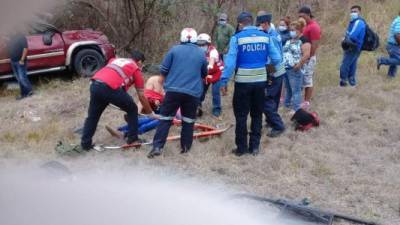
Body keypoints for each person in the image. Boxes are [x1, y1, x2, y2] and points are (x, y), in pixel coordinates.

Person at [220, 12, 281, 156]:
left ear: (240, 24)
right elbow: (277, 59)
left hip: (242, 83)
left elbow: (229, 64)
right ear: (252, 22)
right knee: (257, 115)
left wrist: (224, 81)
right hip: (260, 83)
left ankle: (241, 149)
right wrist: (267, 71)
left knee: (241, 116)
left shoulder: (237, 38)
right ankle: (254, 147)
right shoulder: (266, 37)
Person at [147, 28, 208, 158]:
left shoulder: (174, 50)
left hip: (173, 90)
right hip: (192, 93)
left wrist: (162, 86)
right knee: (188, 121)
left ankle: (157, 147)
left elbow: (163, 70)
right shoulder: (201, 54)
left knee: (165, 119)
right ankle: (185, 148)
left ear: (181, 38)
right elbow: (204, 74)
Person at [80, 51, 153, 150]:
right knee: (132, 109)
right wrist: (150, 113)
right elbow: (141, 96)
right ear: (139, 62)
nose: (141, 66)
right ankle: (133, 139)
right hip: (109, 87)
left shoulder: (115, 60)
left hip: (95, 84)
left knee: (93, 116)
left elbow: (112, 73)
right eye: (142, 64)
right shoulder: (136, 69)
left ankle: (86, 144)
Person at [256, 11, 286, 138]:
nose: (259, 26)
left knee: (266, 100)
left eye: (260, 24)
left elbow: (275, 58)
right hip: (279, 71)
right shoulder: (273, 32)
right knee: (273, 99)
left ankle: (278, 125)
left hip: (274, 71)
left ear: (266, 23)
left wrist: (269, 74)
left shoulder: (271, 37)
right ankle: (270, 121)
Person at [283, 19, 311, 114]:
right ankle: (287, 105)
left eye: (293, 30)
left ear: (299, 30)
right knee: (288, 88)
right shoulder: (289, 40)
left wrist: (299, 65)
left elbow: (306, 54)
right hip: (286, 68)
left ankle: (296, 109)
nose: (291, 32)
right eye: (290, 30)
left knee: (296, 90)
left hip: (295, 69)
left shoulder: (304, 40)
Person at [298, 6, 321, 109]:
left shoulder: (314, 27)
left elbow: (314, 44)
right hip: (303, 56)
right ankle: (301, 99)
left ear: (308, 14)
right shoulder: (304, 26)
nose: (300, 18)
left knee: (308, 79)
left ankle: (306, 101)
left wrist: (308, 58)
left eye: (302, 16)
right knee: (302, 79)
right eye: (299, 16)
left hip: (309, 58)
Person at [197, 33, 223, 118]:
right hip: (205, 73)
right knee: (200, 91)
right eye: (199, 44)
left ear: (208, 44)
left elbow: (212, 59)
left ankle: (217, 109)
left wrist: (210, 65)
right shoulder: (198, 51)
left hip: (216, 73)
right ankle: (198, 106)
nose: (201, 46)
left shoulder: (213, 51)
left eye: (203, 44)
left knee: (215, 92)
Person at [339, 5, 366, 87]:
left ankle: (343, 81)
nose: (353, 13)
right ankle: (352, 81)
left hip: (353, 46)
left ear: (359, 12)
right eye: (351, 12)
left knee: (345, 64)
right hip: (355, 46)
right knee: (353, 63)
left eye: (355, 11)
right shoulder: (353, 21)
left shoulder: (359, 22)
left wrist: (344, 39)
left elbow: (352, 36)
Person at [7, 31, 33, 100]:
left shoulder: (21, 37)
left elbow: (25, 48)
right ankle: (23, 94)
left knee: (22, 78)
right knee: (19, 79)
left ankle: (30, 92)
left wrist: (22, 60)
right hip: (13, 61)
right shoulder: (11, 38)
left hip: (20, 61)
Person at [377, 13, 400, 77]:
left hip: (393, 45)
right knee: (398, 60)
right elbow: (397, 35)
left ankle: (390, 76)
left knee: (394, 61)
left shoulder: (398, 20)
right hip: (393, 45)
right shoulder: (399, 21)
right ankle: (381, 60)